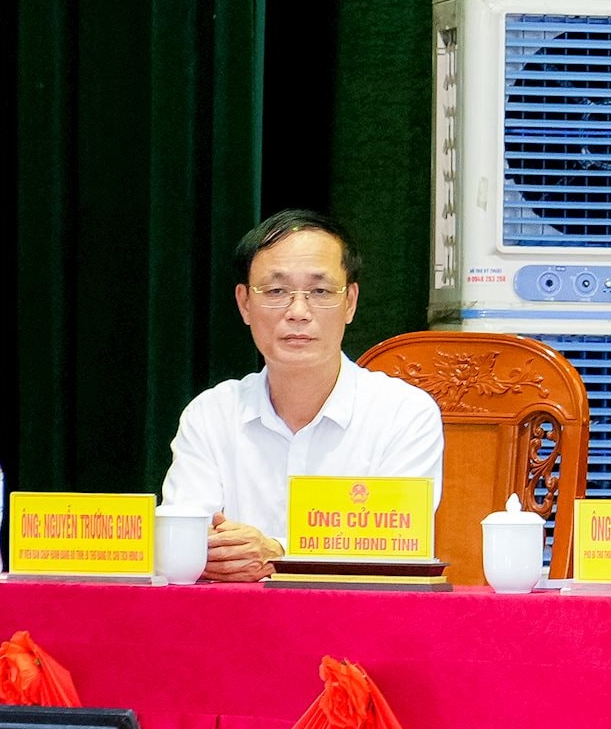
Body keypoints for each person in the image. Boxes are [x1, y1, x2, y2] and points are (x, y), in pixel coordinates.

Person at [162, 211, 446, 583]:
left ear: (350, 302)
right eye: (276, 292)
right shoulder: (210, 414)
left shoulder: (403, 414)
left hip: (355, 617)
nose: (298, 312)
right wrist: (205, 551)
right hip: (235, 616)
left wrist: (278, 553)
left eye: (320, 292)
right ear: (244, 303)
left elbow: (395, 550)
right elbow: (186, 539)